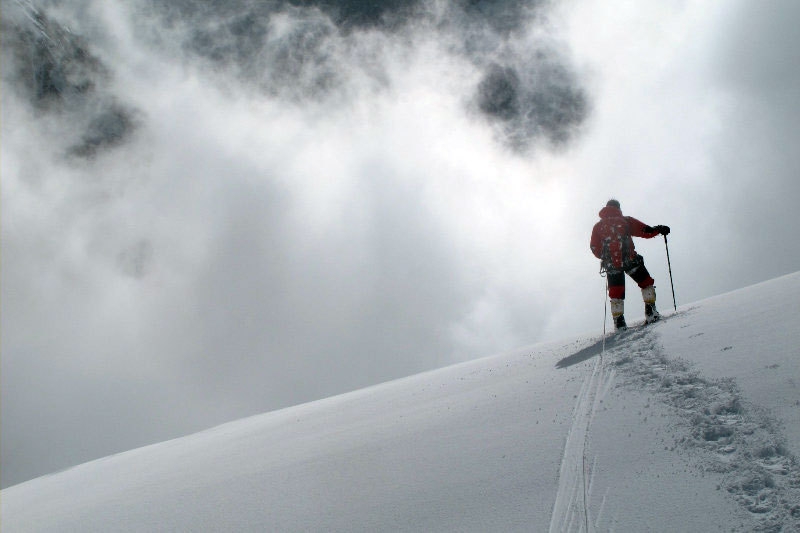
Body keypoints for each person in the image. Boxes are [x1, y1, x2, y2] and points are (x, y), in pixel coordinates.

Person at [590, 199, 670, 330]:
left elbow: (594, 247)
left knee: (616, 293)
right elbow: (646, 231)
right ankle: (651, 313)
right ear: (618, 208)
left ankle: (619, 323)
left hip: (612, 265)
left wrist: (606, 257)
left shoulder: (598, 226)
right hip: (630, 260)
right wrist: (660, 229)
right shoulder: (626, 221)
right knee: (646, 283)